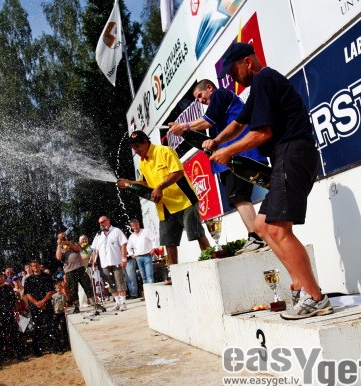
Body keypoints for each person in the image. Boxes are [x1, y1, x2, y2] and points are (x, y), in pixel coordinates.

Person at [203, 42, 332, 320]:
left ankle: (315, 297)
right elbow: (239, 124)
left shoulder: (264, 79)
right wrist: (217, 140)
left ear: (248, 62)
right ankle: (299, 284)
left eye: (233, 71)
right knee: (262, 226)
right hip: (287, 156)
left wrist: (227, 151)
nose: (232, 78)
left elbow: (262, 134)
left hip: (292, 153)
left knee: (279, 230)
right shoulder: (260, 87)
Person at [169, 78, 270, 254]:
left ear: (209, 88)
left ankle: (258, 237)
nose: (200, 100)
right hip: (232, 156)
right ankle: (262, 235)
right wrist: (186, 130)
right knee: (240, 197)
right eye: (197, 99)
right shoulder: (219, 102)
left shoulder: (220, 94)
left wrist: (184, 126)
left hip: (238, 154)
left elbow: (208, 120)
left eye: (200, 95)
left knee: (239, 197)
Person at [116, 131, 209, 265]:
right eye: (133, 148)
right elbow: (145, 183)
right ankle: (174, 271)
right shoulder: (142, 162)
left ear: (145, 142)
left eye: (137, 146)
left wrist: (160, 187)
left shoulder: (164, 151)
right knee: (169, 242)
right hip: (164, 206)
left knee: (197, 234)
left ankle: (211, 260)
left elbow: (178, 172)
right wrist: (129, 183)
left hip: (184, 201)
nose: (135, 151)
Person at [90, 216, 129, 311]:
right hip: (105, 264)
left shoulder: (116, 231)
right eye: (100, 223)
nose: (101, 224)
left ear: (108, 221)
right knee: (110, 284)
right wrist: (93, 263)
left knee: (120, 282)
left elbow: (123, 244)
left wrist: (124, 259)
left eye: (103, 221)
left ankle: (123, 303)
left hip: (116, 262)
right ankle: (117, 303)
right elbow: (95, 250)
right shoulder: (98, 235)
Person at [55, 232, 100, 314]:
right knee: (73, 290)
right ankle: (76, 307)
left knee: (87, 286)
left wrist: (68, 243)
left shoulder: (73, 242)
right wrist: (59, 244)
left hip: (80, 268)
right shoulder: (60, 247)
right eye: (61, 237)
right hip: (69, 271)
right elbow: (58, 257)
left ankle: (94, 303)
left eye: (64, 236)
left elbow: (79, 249)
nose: (63, 238)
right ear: (58, 239)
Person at [24, 260, 59, 357]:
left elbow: (51, 291)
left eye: (36, 265)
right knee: (36, 328)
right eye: (33, 266)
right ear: (31, 268)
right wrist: (36, 303)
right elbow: (27, 294)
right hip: (34, 307)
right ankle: (37, 351)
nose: (35, 267)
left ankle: (56, 348)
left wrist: (43, 301)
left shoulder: (47, 277)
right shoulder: (28, 280)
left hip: (46, 305)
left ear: (40, 266)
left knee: (51, 326)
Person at [127, 219, 159, 294]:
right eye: (133, 226)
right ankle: (147, 293)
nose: (135, 227)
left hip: (147, 255)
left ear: (138, 224)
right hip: (138, 257)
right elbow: (128, 247)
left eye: (136, 225)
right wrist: (131, 254)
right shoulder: (132, 236)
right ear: (131, 227)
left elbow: (155, 238)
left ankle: (152, 292)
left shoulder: (145, 231)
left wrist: (153, 248)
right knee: (143, 276)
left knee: (149, 275)